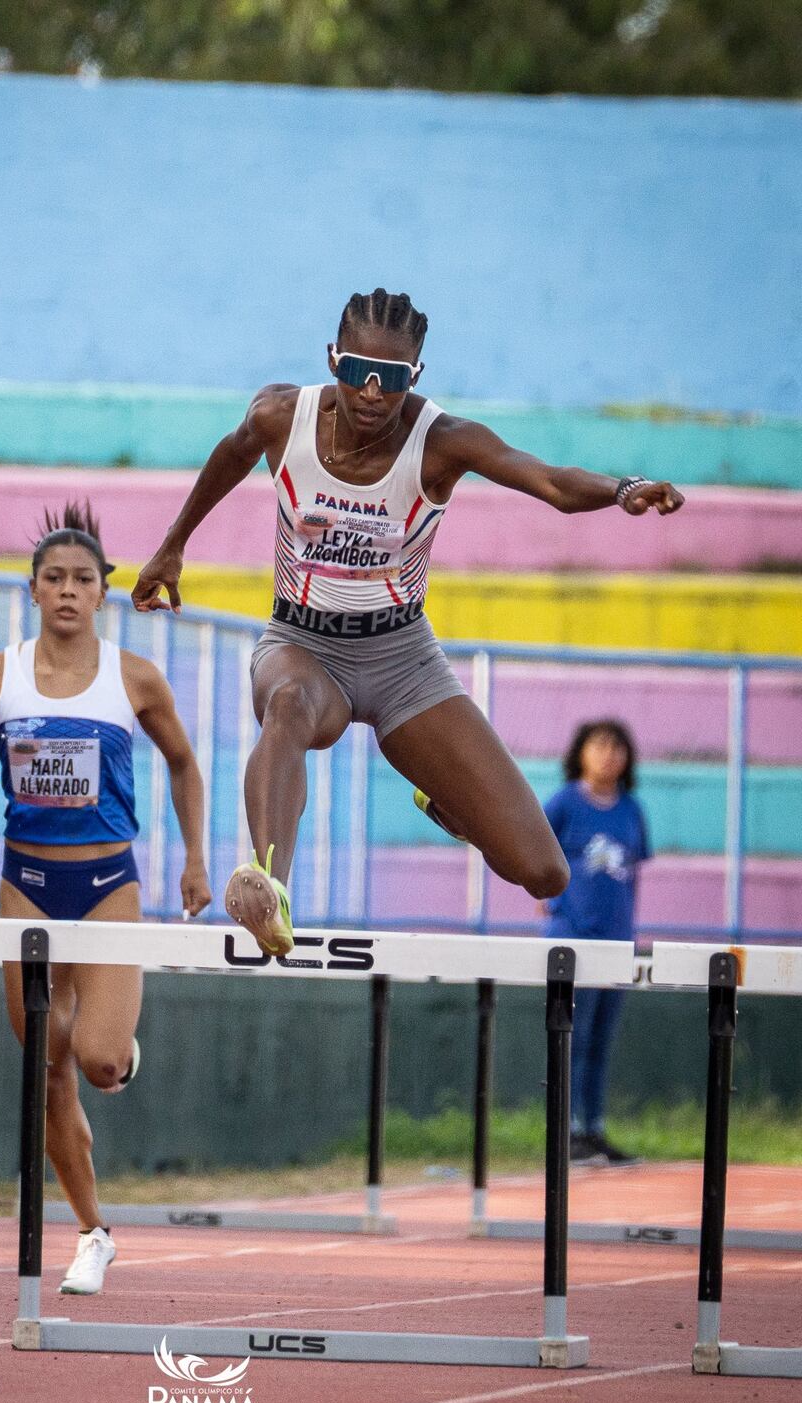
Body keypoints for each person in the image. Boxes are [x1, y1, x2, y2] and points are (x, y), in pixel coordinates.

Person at [132, 286, 683, 955]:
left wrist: (622, 489)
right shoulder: (282, 416)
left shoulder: (442, 442)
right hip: (303, 643)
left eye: (391, 379)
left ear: (414, 376)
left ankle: (443, 799)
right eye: (358, 372)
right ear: (332, 360)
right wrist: (173, 545)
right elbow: (231, 452)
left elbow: (548, 481)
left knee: (544, 871)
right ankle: (269, 887)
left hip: (403, 660)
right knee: (288, 705)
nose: (371, 392)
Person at [0, 503, 211, 1295]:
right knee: (46, 1067)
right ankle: (94, 1232)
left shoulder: (135, 678)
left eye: (83, 579)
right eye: (55, 578)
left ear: (103, 592)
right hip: (26, 885)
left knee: (96, 1061)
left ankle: (120, 1045)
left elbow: (184, 764)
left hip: (106, 888)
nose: (68, 590)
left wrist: (195, 859)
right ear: (33, 589)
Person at [543, 720, 650, 1165]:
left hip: (618, 941)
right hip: (573, 940)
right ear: (581, 753)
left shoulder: (632, 809)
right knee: (574, 1036)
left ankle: (594, 1128)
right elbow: (535, 854)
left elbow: (633, 875)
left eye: (617, 747)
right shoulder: (564, 803)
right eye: (600, 746)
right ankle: (566, 1132)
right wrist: (552, 907)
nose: (609, 755)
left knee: (601, 1040)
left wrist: (629, 932)